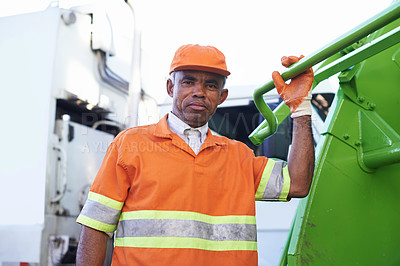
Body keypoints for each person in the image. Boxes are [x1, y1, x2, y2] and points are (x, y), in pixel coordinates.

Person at [76, 44, 315, 265]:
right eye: (188, 82)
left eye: (211, 85)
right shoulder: (130, 145)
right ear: (171, 88)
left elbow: (298, 184)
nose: (199, 92)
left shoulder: (239, 157)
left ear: (222, 96)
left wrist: (301, 108)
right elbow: (96, 227)